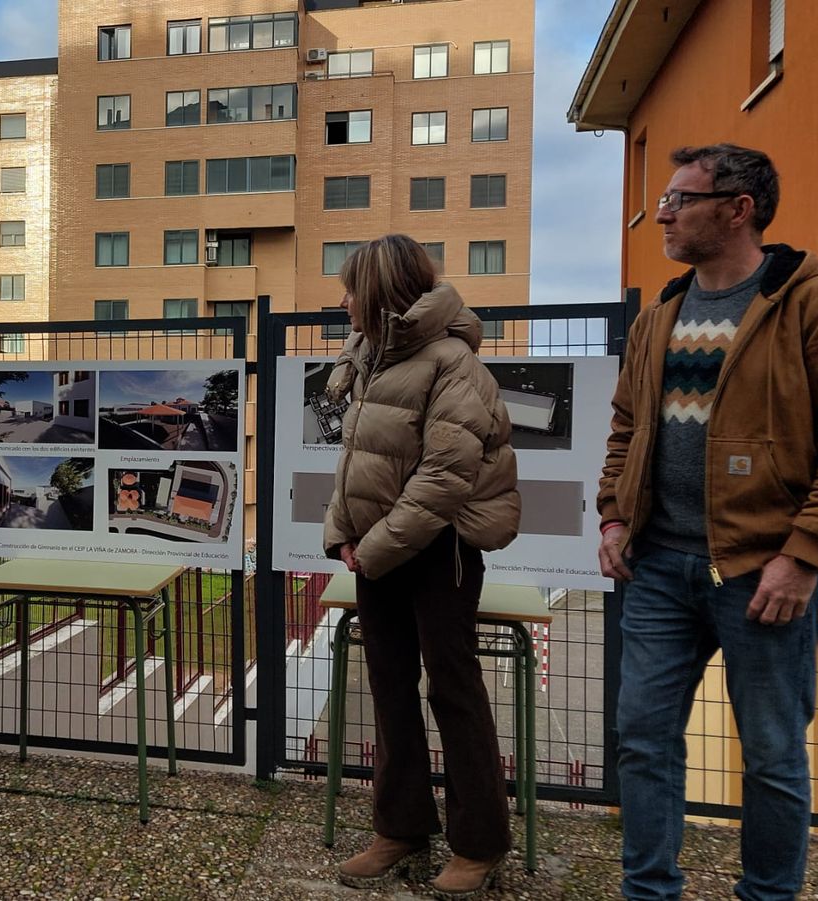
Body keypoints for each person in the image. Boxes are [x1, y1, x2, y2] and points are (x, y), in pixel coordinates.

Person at [598, 144, 818, 901]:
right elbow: (626, 427)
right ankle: (648, 891)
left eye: (681, 198)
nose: (663, 212)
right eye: (664, 198)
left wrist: (806, 555)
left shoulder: (817, 303)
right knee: (643, 743)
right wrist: (616, 517)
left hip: (765, 571)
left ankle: (767, 895)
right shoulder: (662, 313)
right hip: (656, 567)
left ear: (738, 207)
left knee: (773, 755)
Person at [320, 234, 521, 897]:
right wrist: (341, 535)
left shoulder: (451, 361)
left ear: (379, 292)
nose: (341, 298)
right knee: (388, 686)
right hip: (381, 545)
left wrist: (369, 549)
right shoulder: (370, 355)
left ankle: (479, 841)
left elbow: (444, 478)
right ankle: (401, 826)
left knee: (453, 689)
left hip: (442, 550)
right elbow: (354, 463)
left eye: (351, 286)